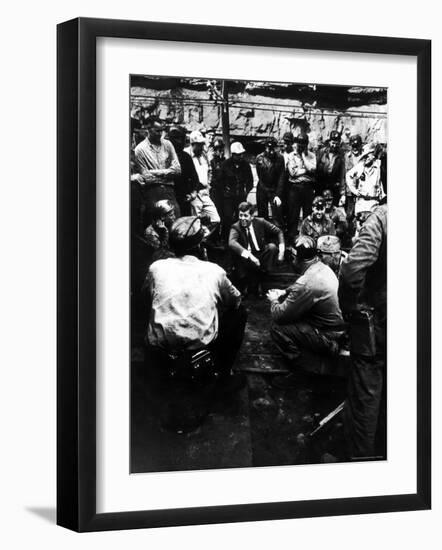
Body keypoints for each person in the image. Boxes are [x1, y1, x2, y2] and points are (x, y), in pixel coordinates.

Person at [144, 215, 247, 389]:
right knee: (240, 312)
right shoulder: (215, 271)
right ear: (200, 246)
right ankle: (224, 373)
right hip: (198, 350)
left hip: (160, 350)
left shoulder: (156, 267)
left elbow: (146, 295)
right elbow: (235, 301)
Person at [339, 204, 387, 460]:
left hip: (383, 320)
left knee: (366, 393)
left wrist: (353, 308)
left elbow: (352, 270)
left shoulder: (382, 218)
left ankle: (363, 464)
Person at [268, 235, 345, 385]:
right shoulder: (320, 266)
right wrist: (284, 291)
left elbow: (279, 315)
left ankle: (302, 370)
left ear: (296, 259)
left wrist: (274, 300)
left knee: (277, 328)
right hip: (336, 324)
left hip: (329, 333)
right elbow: (301, 285)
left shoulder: (307, 283)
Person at [228, 202, 284, 296]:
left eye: (245, 216)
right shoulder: (235, 227)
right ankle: (245, 282)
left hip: (260, 254)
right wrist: (250, 256)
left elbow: (279, 232)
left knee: (272, 248)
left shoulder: (261, 222)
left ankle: (263, 278)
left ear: (252, 216)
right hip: (246, 258)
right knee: (235, 252)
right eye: (240, 215)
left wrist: (281, 252)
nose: (242, 218)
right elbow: (231, 242)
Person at [134, 116, 181, 224]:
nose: (160, 134)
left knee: (176, 224)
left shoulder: (168, 145)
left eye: (162, 131)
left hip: (170, 190)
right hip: (152, 192)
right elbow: (146, 177)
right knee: (157, 224)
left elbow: (177, 170)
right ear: (148, 130)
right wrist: (167, 172)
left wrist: (154, 172)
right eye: (157, 131)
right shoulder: (140, 150)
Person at [282, 132, 317, 245]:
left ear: (307, 144)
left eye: (303, 144)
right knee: (293, 215)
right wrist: (306, 171)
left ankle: (308, 239)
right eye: (299, 144)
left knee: (308, 214)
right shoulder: (291, 156)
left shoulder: (312, 155)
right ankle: (292, 239)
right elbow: (292, 173)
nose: (301, 146)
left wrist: (303, 157)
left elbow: (313, 169)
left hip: (308, 188)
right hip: (295, 188)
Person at [218, 142, 254, 243]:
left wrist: (247, 191)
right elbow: (220, 181)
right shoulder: (226, 164)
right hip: (229, 197)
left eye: (241, 154)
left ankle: (241, 239)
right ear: (233, 155)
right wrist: (225, 191)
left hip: (241, 196)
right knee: (228, 217)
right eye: (238, 155)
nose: (240, 156)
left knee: (241, 217)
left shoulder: (246, 165)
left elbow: (250, 180)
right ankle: (225, 239)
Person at [184, 130, 220, 225]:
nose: (201, 146)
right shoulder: (186, 155)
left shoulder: (204, 154)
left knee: (216, 219)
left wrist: (208, 185)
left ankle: (206, 237)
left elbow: (209, 170)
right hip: (193, 193)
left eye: (202, 144)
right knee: (195, 221)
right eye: (199, 144)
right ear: (193, 144)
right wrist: (190, 191)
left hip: (204, 192)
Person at [167, 126, 200, 216]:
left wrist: (193, 193)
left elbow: (195, 178)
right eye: (176, 138)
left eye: (181, 138)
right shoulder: (164, 156)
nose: (180, 142)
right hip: (168, 199)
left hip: (183, 199)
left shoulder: (186, 157)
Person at [346, 142, 385, 215]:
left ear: (373, 155)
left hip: (374, 202)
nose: (365, 159)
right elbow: (348, 175)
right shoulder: (360, 166)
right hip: (361, 202)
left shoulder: (378, 166)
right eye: (364, 157)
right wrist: (354, 190)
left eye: (367, 156)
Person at [255, 137, 285, 227]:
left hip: (274, 190)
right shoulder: (259, 158)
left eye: (273, 149)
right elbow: (260, 176)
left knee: (277, 216)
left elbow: (281, 177)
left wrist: (278, 195)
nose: (271, 152)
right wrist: (265, 190)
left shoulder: (280, 158)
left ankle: (278, 237)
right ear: (265, 147)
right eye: (269, 149)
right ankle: (263, 238)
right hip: (262, 189)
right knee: (262, 216)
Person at [316, 130, 346, 205]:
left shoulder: (341, 155)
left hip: (334, 186)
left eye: (337, 144)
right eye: (333, 143)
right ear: (329, 142)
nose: (334, 146)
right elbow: (315, 168)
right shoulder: (321, 152)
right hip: (321, 185)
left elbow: (342, 174)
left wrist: (342, 192)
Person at [143, 199, 176, 264]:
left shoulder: (170, 225)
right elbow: (161, 253)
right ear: (162, 217)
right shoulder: (150, 232)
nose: (174, 217)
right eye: (171, 215)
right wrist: (165, 232)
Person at [343, 134, 363, 221]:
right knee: (349, 215)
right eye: (353, 146)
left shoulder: (364, 157)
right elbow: (343, 176)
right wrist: (342, 194)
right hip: (349, 192)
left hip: (361, 192)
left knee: (360, 216)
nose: (355, 148)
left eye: (357, 146)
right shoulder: (346, 157)